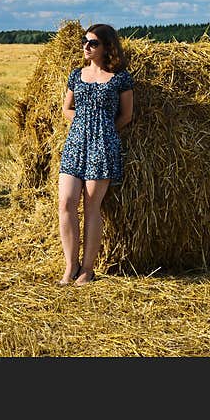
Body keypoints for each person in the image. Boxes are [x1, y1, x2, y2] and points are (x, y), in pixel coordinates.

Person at [57, 23, 134, 286]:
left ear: (106, 47)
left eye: (92, 43)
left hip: (103, 146)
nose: (86, 47)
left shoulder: (120, 78)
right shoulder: (76, 75)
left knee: (92, 207)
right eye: (84, 42)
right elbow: (67, 108)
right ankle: (70, 266)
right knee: (66, 203)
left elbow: (127, 115)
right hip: (75, 144)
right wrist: (81, 122)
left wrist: (103, 130)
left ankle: (87, 270)